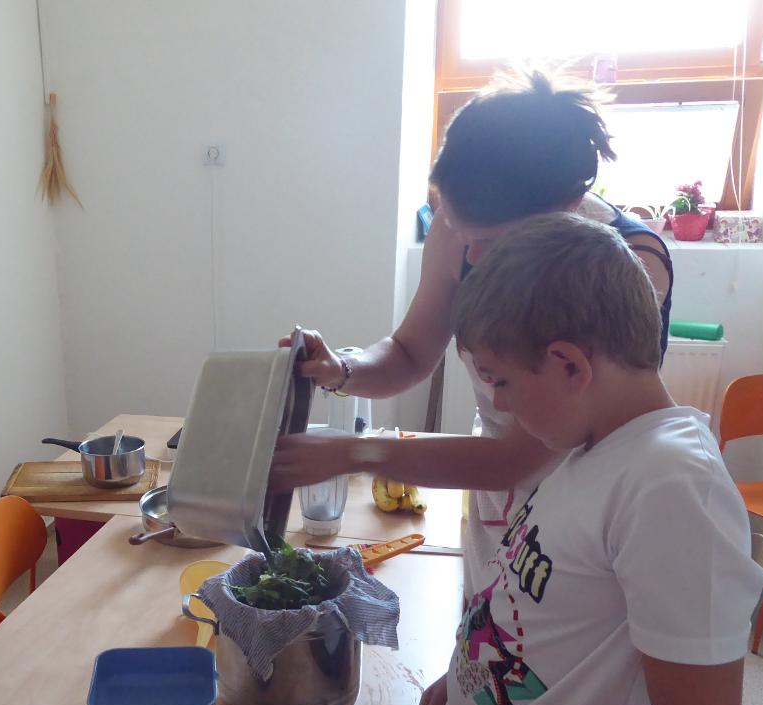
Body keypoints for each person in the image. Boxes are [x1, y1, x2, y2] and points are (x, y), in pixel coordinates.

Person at [414, 214, 763, 705]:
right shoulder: (588, 446)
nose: (498, 404)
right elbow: (540, 600)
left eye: (501, 381)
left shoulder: (672, 486)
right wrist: (466, 675)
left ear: (571, 365)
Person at [269, 70, 674, 601]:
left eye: (489, 240)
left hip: (583, 507)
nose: (472, 256)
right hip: (496, 496)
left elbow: (518, 457)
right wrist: (341, 370)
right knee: (492, 630)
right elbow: (410, 352)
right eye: (460, 233)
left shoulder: (620, 267)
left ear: (568, 207)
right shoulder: (461, 225)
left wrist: (358, 453)